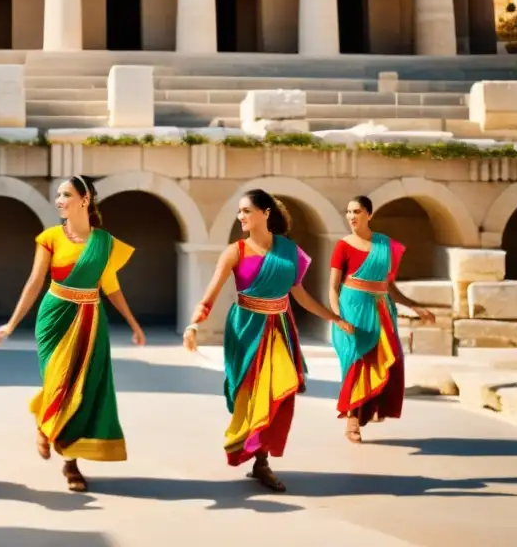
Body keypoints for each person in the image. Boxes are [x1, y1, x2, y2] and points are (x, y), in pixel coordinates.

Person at [183, 189, 354, 493]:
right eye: (239, 211)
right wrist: (193, 325)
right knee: (249, 396)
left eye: (246, 210)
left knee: (278, 392)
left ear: (266, 213)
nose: (241, 217)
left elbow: (299, 295)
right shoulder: (235, 251)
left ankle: (261, 460)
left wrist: (336, 319)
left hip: (280, 328)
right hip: (246, 330)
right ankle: (252, 451)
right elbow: (208, 297)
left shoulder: (289, 251)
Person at [0, 175, 145, 493]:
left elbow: (110, 286)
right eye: (58, 195)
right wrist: (11, 323)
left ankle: (71, 462)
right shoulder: (49, 237)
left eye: (65, 195)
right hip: (54, 317)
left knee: (84, 391)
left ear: (84, 200)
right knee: (58, 382)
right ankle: (44, 421)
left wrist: (133, 323)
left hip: (91, 319)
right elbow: (34, 282)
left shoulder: (104, 242)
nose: (59, 200)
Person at [329, 196, 435, 443]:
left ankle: (368, 410)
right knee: (355, 364)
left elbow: (388, 287)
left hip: (380, 310)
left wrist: (415, 306)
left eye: (356, 211)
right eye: (348, 211)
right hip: (352, 309)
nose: (351, 216)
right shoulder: (343, 246)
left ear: (369, 214)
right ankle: (352, 421)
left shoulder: (384, 245)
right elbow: (332, 288)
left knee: (386, 362)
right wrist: (337, 317)